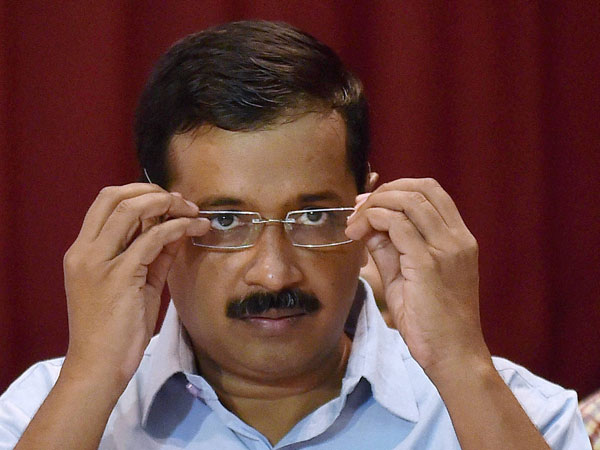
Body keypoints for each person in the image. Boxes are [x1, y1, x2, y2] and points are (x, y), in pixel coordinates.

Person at [0, 20, 590, 449]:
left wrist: (461, 364)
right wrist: (92, 378)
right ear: (152, 224)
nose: (274, 273)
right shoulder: (48, 412)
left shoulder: (516, 412)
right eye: (225, 220)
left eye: (312, 216)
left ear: (369, 211)